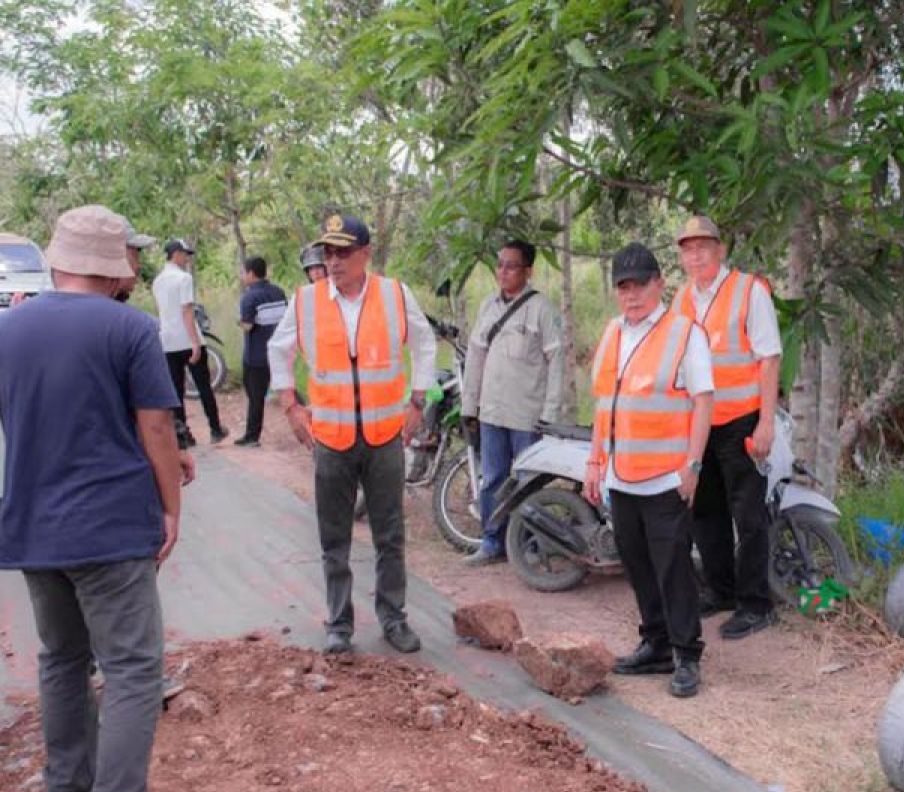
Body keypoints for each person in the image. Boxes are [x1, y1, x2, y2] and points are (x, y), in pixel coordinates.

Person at [0, 205, 184, 792]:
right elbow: (155, 428)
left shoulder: (9, 330)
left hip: (34, 530)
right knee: (132, 669)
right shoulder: (130, 329)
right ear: (110, 267)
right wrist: (171, 506)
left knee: (61, 660)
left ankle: (67, 788)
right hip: (110, 532)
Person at [267, 213, 436, 655]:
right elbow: (277, 350)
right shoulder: (305, 301)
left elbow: (424, 343)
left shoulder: (395, 295)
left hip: (384, 438)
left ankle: (393, 618)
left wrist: (417, 400)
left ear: (366, 254)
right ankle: (339, 624)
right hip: (331, 440)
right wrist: (290, 406)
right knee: (333, 538)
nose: (334, 261)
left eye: (343, 252)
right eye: (328, 252)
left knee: (389, 535)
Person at [583, 243, 713, 699]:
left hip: (665, 479)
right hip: (620, 476)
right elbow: (605, 403)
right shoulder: (613, 333)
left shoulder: (683, 333)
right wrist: (595, 462)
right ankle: (655, 644)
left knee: (673, 567)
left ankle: (686, 654)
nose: (632, 294)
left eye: (640, 284)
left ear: (659, 283)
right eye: (623, 285)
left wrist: (693, 464)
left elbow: (702, 401)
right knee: (636, 565)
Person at [670, 215, 783, 640]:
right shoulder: (681, 299)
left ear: (720, 250)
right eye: (687, 248)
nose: (695, 254)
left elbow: (769, 358)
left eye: (703, 246)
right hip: (700, 425)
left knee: (749, 516)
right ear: (681, 256)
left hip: (742, 422)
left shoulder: (748, 291)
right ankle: (722, 591)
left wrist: (767, 422)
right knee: (705, 513)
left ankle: (756, 604)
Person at [461, 239, 564, 566]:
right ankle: (492, 542)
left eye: (511, 266)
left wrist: (549, 414)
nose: (503, 272)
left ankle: (529, 545)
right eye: (500, 265)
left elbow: (557, 361)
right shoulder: (487, 307)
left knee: (527, 482)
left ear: (528, 271)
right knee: (492, 478)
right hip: (492, 412)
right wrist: (469, 405)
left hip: (528, 416)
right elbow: (476, 356)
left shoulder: (542, 309)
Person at [152, 237, 228, 445]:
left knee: (176, 389)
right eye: (185, 254)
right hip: (187, 339)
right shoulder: (184, 278)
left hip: (167, 341)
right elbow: (186, 310)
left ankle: (183, 434)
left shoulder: (157, 281)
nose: (187, 258)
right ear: (175, 254)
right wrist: (194, 342)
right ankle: (215, 428)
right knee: (204, 386)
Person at [236, 255, 287, 447]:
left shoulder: (249, 297)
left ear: (251, 273)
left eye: (243, 272)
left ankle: (252, 436)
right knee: (286, 390)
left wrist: (239, 322)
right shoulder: (279, 292)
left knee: (255, 396)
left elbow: (248, 326)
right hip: (278, 352)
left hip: (256, 355)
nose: (242, 276)